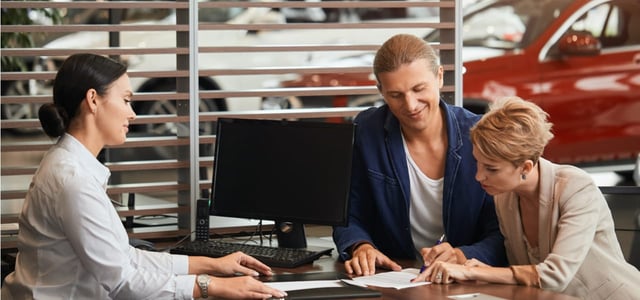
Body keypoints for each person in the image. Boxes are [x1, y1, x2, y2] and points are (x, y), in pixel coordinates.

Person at [1, 53, 287, 299]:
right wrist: (213, 286)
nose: (133, 114)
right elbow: (123, 281)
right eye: (125, 100)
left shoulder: (70, 165)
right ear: (93, 100)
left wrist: (211, 265)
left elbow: (124, 259)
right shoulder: (72, 180)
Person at [416, 96, 640, 299]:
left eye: (491, 169)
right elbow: (522, 272)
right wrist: (471, 267)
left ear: (526, 167)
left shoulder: (576, 188)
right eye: (477, 163)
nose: (478, 176)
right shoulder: (505, 198)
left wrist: (474, 272)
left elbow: (555, 275)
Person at [332, 33, 507, 276]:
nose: (411, 105)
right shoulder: (367, 130)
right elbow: (350, 213)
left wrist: (463, 254)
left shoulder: (479, 135)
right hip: (393, 276)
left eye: (418, 89)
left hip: (467, 277)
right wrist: (360, 246)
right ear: (381, 91)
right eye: (396, 95)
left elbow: (503, 230)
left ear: (439, 77)